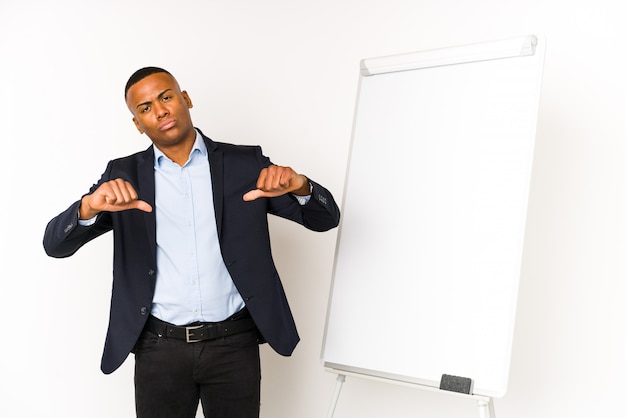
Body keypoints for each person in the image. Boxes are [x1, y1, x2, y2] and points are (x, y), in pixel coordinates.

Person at [43, 66, 340, 418]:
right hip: (158, 348)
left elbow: (325, 220)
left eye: (166, 97)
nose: (161, 110)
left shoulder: (244, 164)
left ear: (185, 99)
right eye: (146, 107)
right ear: (138, 124)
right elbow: (55, 245)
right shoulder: (123, 176)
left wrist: (301, 186)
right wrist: (88, 206)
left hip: (234, 344)